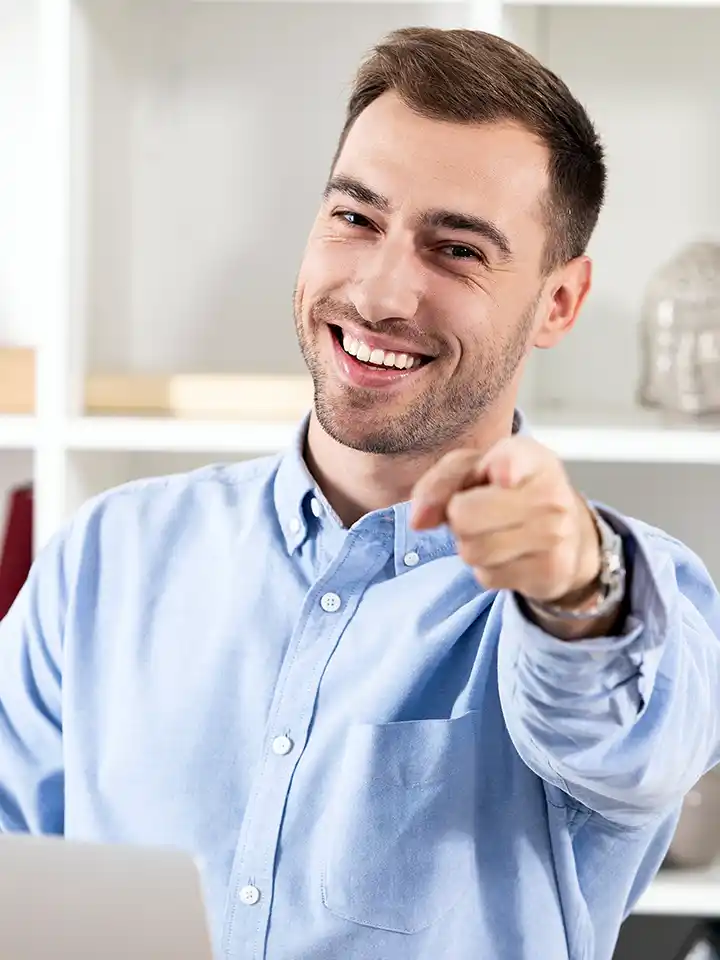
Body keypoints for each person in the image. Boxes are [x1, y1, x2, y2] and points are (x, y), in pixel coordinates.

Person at [1, 25, 719, 960]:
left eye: (456, 249)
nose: (381, 291)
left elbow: (635, 746)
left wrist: (577, 593)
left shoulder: (624, 595)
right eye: (355, 218)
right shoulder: (109, 555)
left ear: (558, 303)